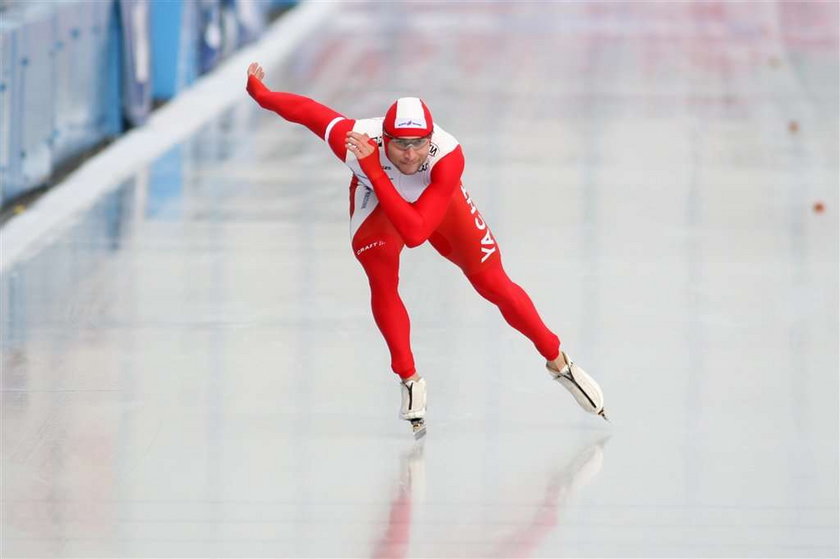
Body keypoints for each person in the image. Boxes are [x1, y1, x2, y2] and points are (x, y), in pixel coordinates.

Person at [245, 62, 607, 436]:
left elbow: (418, 232)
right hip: (378, 203)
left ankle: (558, 361)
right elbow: (307, 112)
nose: (410, 154)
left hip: (436, 205)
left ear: (430, 140)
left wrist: (374, 167)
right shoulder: (355, 139)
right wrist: (262, 94)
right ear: (384, 139)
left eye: (419, 143)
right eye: (401, 144)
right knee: (381, 274)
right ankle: (409, 377)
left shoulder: (447, 156)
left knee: (493, 283)